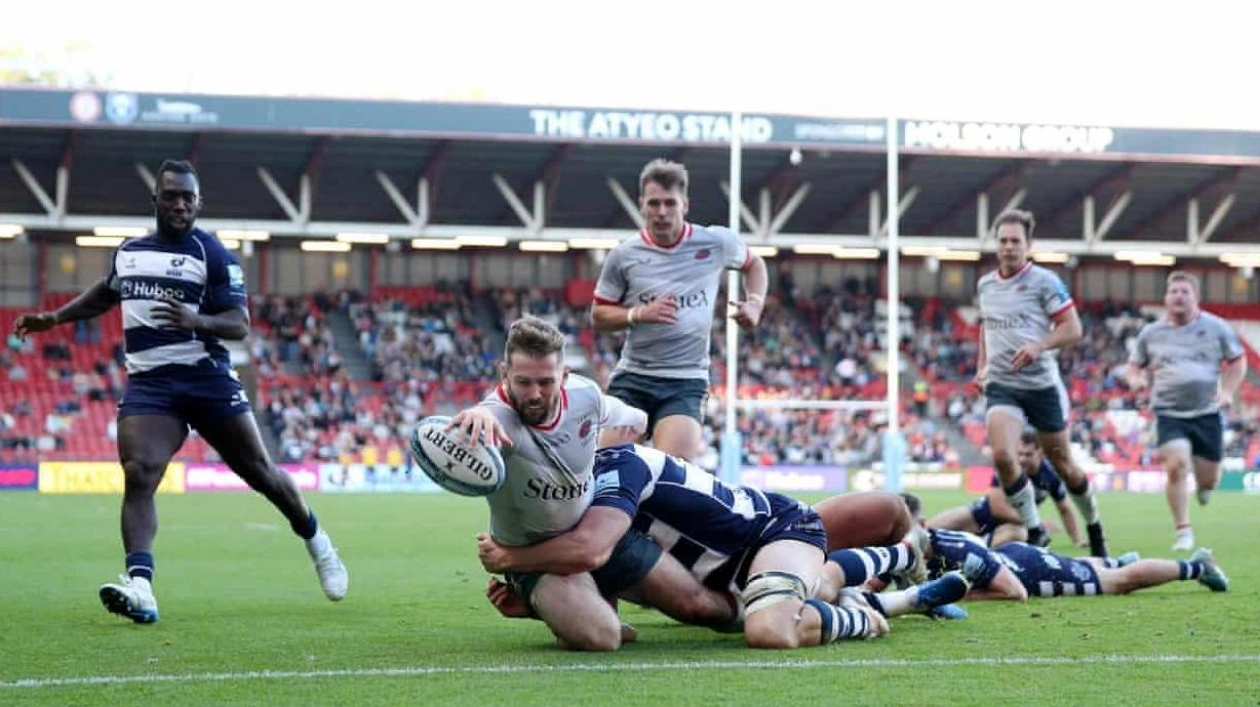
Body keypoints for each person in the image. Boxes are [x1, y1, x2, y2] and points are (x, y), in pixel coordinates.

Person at [11, 159, 347, 624]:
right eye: (171, 195)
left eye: (188, 197)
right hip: (151, 383)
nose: (180, 204)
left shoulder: (211, 253)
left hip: (205, 377)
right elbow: (107, 292)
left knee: (260, 473)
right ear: (156, 199)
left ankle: (317, 541)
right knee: (139, 471)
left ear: (198, 203)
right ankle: (141, 587)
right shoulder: (129, 252)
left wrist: (196, 320)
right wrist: (54, 319)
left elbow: (239, 324)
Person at [477, 444, 973, 649]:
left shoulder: (615, 474)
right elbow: (610, 615)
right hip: (727, 578)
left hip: (775, 531)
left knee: (770, 629)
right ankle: (902, 595)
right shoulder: (577, 518)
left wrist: (511, 559)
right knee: (815, 587)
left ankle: (880, 599)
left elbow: (592, 550)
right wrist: (542, 609)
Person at [447, 316, 736, 651]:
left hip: (596, 536)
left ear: (565, 376)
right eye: (523, 382)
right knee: (605, 636)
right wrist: (479, 413)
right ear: (504, 374)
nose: (534, 394)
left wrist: (637, 435)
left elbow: (634, 419)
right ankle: (543, 601)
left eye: (545, 382)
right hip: (533, 557)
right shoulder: (497, 420)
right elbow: (486, 415)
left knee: (697, 606)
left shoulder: (586, 396)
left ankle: (777, 607)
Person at [591, 159, 768, 461]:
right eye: (654, 203)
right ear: (642, 205)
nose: (662, 212)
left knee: (672, 479)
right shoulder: (624, 255)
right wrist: (638, 314)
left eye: (670, 203)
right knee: (606, 470)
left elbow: (754, 264)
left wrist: (754, 303)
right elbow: (598, 316)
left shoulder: (714, 242)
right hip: (634, 377)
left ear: (685, 204)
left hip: (685, 381)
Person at [975, 209, 1108, 557]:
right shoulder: (985, 284)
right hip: (1002, 383)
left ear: (1028, 245)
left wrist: (1039, 345)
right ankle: (1035, 530)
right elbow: (985, 329)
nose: (1008, 246)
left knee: (1063, 464)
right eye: (1003, 240)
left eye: (1015, 241)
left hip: (1041, 387)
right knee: (1004, 456)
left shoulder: (1045, 282)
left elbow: (1073, 328)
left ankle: (1094, 525)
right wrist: (981, 367)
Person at [903, 493, 1228, 601]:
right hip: (1013, 557)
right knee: (1090, 571)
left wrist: (958, 594)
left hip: (1027, 572)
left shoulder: (955, 547)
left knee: (1117, 585)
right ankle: (1110, 562)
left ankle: (1198, 566)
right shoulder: (909, 549)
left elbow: (1016, 593)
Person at [1125, 271, 1246, 551]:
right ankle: (1183, 531)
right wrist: (1135, 380)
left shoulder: (1217, 328)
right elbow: (1134, 366)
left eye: (1185, 292)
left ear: (1196, 298)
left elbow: (1238, 363)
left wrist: (1227, 391)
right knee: (1176, 466)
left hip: (1207, 413)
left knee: (1208, 479)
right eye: (1174, 292)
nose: (1179, 296)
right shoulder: (1151, 333)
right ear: (1166, 298)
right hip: (1169, 412)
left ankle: (1205, 488)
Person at [928, 431, 1084, 549]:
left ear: (1040, 453)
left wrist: (1077, 540)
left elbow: (1065, 509)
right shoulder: (1008, 468)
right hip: (979, 515)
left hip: (1012, 526)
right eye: (1019, 454)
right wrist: (1037, 523)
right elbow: (997, 508)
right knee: (927, 530)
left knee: (1019, 534)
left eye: (1028, 454)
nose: (1022, 459)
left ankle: (973, 550)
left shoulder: (1051, 476)